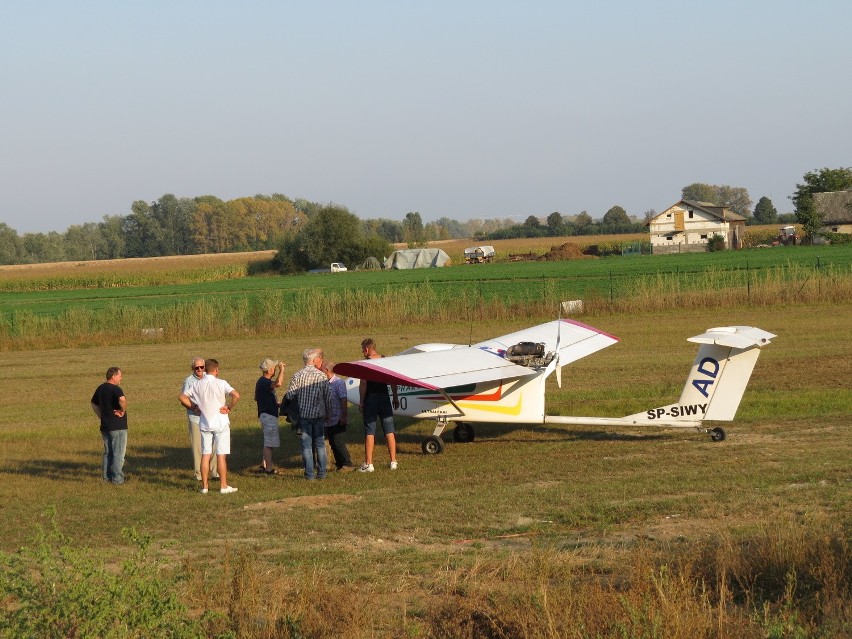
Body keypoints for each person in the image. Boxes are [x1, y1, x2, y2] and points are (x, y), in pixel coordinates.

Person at [179, 358, 240, 494]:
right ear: (216, 370)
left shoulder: (197, 385)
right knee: (220, 455)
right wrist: (229, 407)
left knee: (205, 454)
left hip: (205, 423)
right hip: (221, 423)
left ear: (205, 369)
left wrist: (194, 407)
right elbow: (236, 395)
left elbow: (182, 397)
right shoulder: (221, 383)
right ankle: (223, 486)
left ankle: (204, 487)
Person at [285, 348, 332, 480]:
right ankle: (322, 473)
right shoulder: (321, 376)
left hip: (304, 415)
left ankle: (309, 474)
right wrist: (329, 411)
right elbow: (327, 397)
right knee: (320, 444)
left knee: (306, 446)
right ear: (314, 360)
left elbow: (289, 395)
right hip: (318, 415)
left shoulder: (297, 375)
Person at [358, 338, 398, 472]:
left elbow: (363, 383)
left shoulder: (366, 363)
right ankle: (393, 461)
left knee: (370, 431)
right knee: (389, 430)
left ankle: (369, 464)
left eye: (362, 349)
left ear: (367, 349)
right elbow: (392, 380)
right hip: (384, 398)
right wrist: (395, 396)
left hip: (371, 398)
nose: (362, 351)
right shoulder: (385, 360)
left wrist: (361, 401)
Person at [181, 357, 218, 481]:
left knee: (214, 445)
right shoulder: (189, 381)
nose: (200, 370)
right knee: (198, 447)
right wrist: (194, 407)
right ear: (193, 368)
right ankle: (199, 474)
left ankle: (214, 471)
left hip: (210, 418)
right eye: (197, 368)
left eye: (202, 367)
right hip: (195, 418)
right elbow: (183, 399)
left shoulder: (210, 378)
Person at [91, 366, 128, 484]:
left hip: (105, 425)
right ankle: (118, 479)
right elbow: (122, 400)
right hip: (118, 426)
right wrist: (122, 410)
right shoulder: (116, 389)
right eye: (120, 375)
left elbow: (93, 403)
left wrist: (101, 416)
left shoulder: (100, 388)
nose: (121, 377)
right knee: (119, 453)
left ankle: (106, 478)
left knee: (108, 453)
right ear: (113, 376)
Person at [255, 357, 285, 474]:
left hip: (265, 414)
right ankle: (268, 468)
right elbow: (279, 383)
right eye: (274, 367)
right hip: (268, 416)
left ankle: (264, 464)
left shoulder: (260, 382)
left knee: (268, 441)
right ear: (270, 370)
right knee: (269, 444)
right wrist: (282, 370)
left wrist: (275, 403)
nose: (275, 369)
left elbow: (256, 397)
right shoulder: (265, 382)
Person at [322, 361, 354, 471]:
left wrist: (344, 416)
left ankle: (348, 463)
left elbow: (343, 399)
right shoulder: (325, 383)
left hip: (337, 418)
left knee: (338, 442)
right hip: (328, 419)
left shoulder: (338, 383)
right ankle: (339, 464)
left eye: (322, 369)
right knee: (332, 442)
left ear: (327, 370)